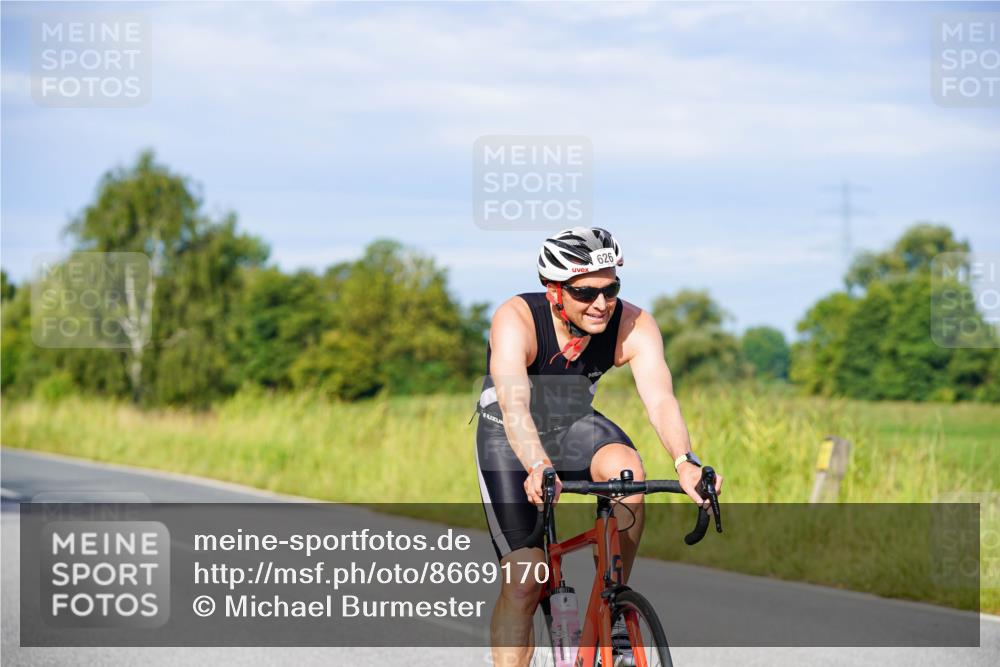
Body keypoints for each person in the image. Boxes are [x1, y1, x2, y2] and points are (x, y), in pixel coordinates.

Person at [474, 226, 723, 667]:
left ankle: (611, 607)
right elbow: (515, 406)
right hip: (509, 434)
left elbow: (661, 398)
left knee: (627, 469)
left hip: (572, 423)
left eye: (611, 289)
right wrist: (537, 464)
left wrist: (686, 462)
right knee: (526, 580)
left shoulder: (633, 324)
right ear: (554, 291)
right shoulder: (516, 318)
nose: (601, 304)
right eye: (586, 292)